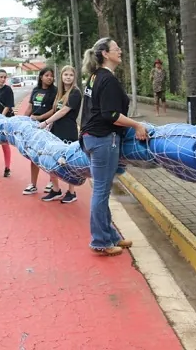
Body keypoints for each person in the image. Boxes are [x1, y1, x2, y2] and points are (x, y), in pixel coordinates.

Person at [80, 38, 149, 256]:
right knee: (101, 191)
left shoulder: (94, 77)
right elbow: (110, 114)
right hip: (103, 139)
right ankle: (100, 240)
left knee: (102, 190)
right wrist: (137, 124)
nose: (120, 50)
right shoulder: (107, 79)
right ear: (105, 54)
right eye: (116, 48)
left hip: (91, 138)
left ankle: (110, 236)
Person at [39, 65, 82, 203]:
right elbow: (55, 111)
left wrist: (45, 122)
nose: (68, 77)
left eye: (71, 75)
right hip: (55, 131)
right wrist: (50, 124)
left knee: (69, 162)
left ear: (74, 77)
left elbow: (63, 111)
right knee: (52, 160)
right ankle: (56, 189)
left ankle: (72, 192)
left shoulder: (75, 93)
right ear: (61, 77)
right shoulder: (60, 92)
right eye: (65, 75)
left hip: (68, 131)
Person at [19, 67, 57, 195]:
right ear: (41, 77)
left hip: (48, 124)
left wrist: (41, 118)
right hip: (34, 125)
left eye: (51, 76)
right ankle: (33, 184)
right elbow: (30, 107)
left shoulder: (55, 91)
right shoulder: (36, 90)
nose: (49, 78)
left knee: (48, 154)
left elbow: (54, 109)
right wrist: (23, 121)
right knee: (33, 155)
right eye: (47, 75)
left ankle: (52, 182)